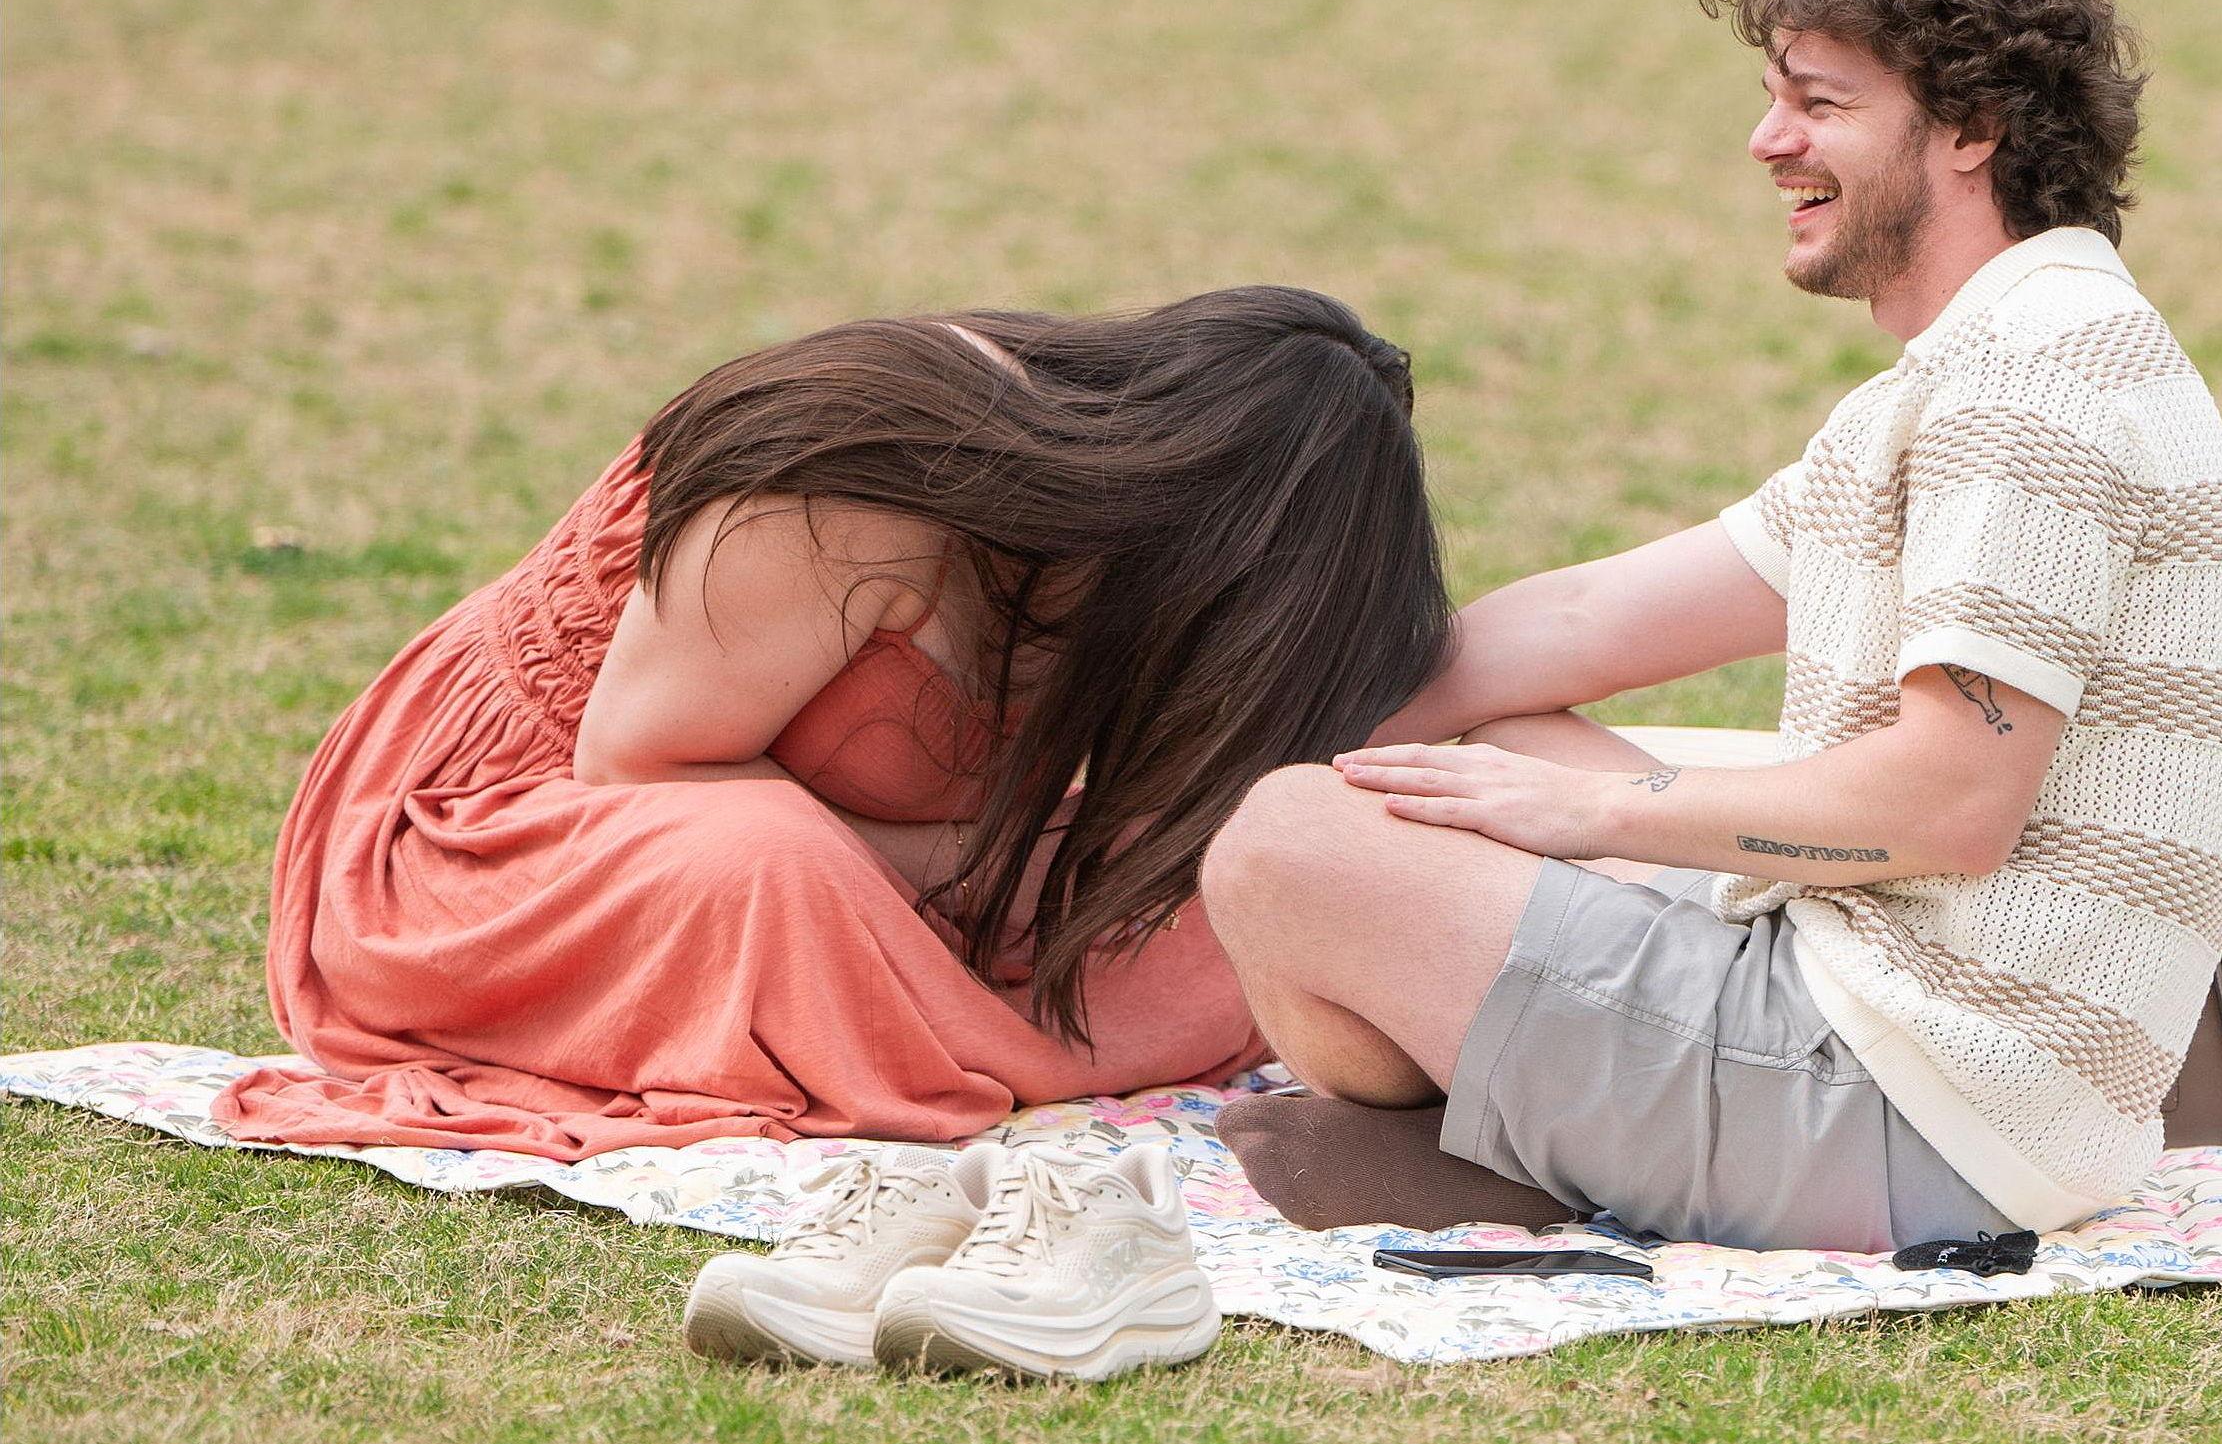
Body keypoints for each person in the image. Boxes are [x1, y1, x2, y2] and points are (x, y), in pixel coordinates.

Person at [1203, 0, 2222, 1250]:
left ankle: (1500, 1137)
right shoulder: (1997, 362)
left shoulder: (2028, 394)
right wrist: (1245, 730)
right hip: (1932, 1060)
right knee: (1469, 747)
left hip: (1913, 1107)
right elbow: (1584, 621)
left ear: (1969, 127)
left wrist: (1588, 814)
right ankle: (1532, 1121)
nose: (1767, 141)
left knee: (1282, 846)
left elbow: (1953, 801)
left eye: (1818, 103)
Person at [217, 287, 1453, 1173]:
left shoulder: (1111, 570)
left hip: (910, 853)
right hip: (531, 835)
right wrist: (1010, 862)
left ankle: (910, 1019)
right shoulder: (858, 475)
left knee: (1232, 864)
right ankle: (932, 1026)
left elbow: (1452, 681)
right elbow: (639, 767)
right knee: (765, 865)